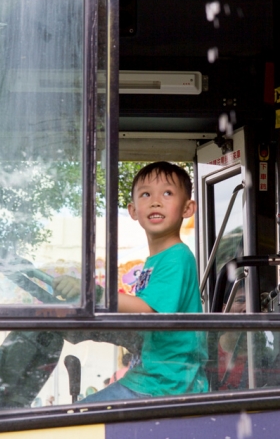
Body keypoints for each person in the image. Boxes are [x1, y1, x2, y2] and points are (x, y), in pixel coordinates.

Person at [54, 161, 208, 402]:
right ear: (133, 210)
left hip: (167, 382)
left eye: (167, 193)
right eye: (146, 194)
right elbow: (143, 328)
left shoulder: (177, 257)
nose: (156, 201)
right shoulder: (154, 261)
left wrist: (93, 295)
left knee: (78, 416)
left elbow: (148, 311)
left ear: (188, 208)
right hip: (150, 375)